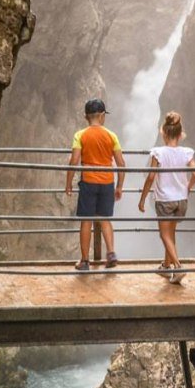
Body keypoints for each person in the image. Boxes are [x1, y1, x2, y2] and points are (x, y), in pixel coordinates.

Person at [138, 112, 195, 284]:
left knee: (164, 235)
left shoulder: (158, 152)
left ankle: (178, 267)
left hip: (165, 200)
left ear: (163, 132)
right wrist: (188, 188)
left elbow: (151, 177)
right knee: (171, 233)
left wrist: (142, 199)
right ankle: (166, 266)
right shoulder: (186, 152)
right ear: (180, 134)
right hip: (181, 200)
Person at [65, 98, 125, 270]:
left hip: (88, 181)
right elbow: (121, 163)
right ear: (101, 116)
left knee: (86, 221)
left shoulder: (80, 135)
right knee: (104, 219)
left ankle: (84, 261)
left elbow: (74, 161)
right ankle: (111, 253)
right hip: (107, 182)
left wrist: (68, 183)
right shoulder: (111, 135)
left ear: (86, 117)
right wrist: (119, 186)